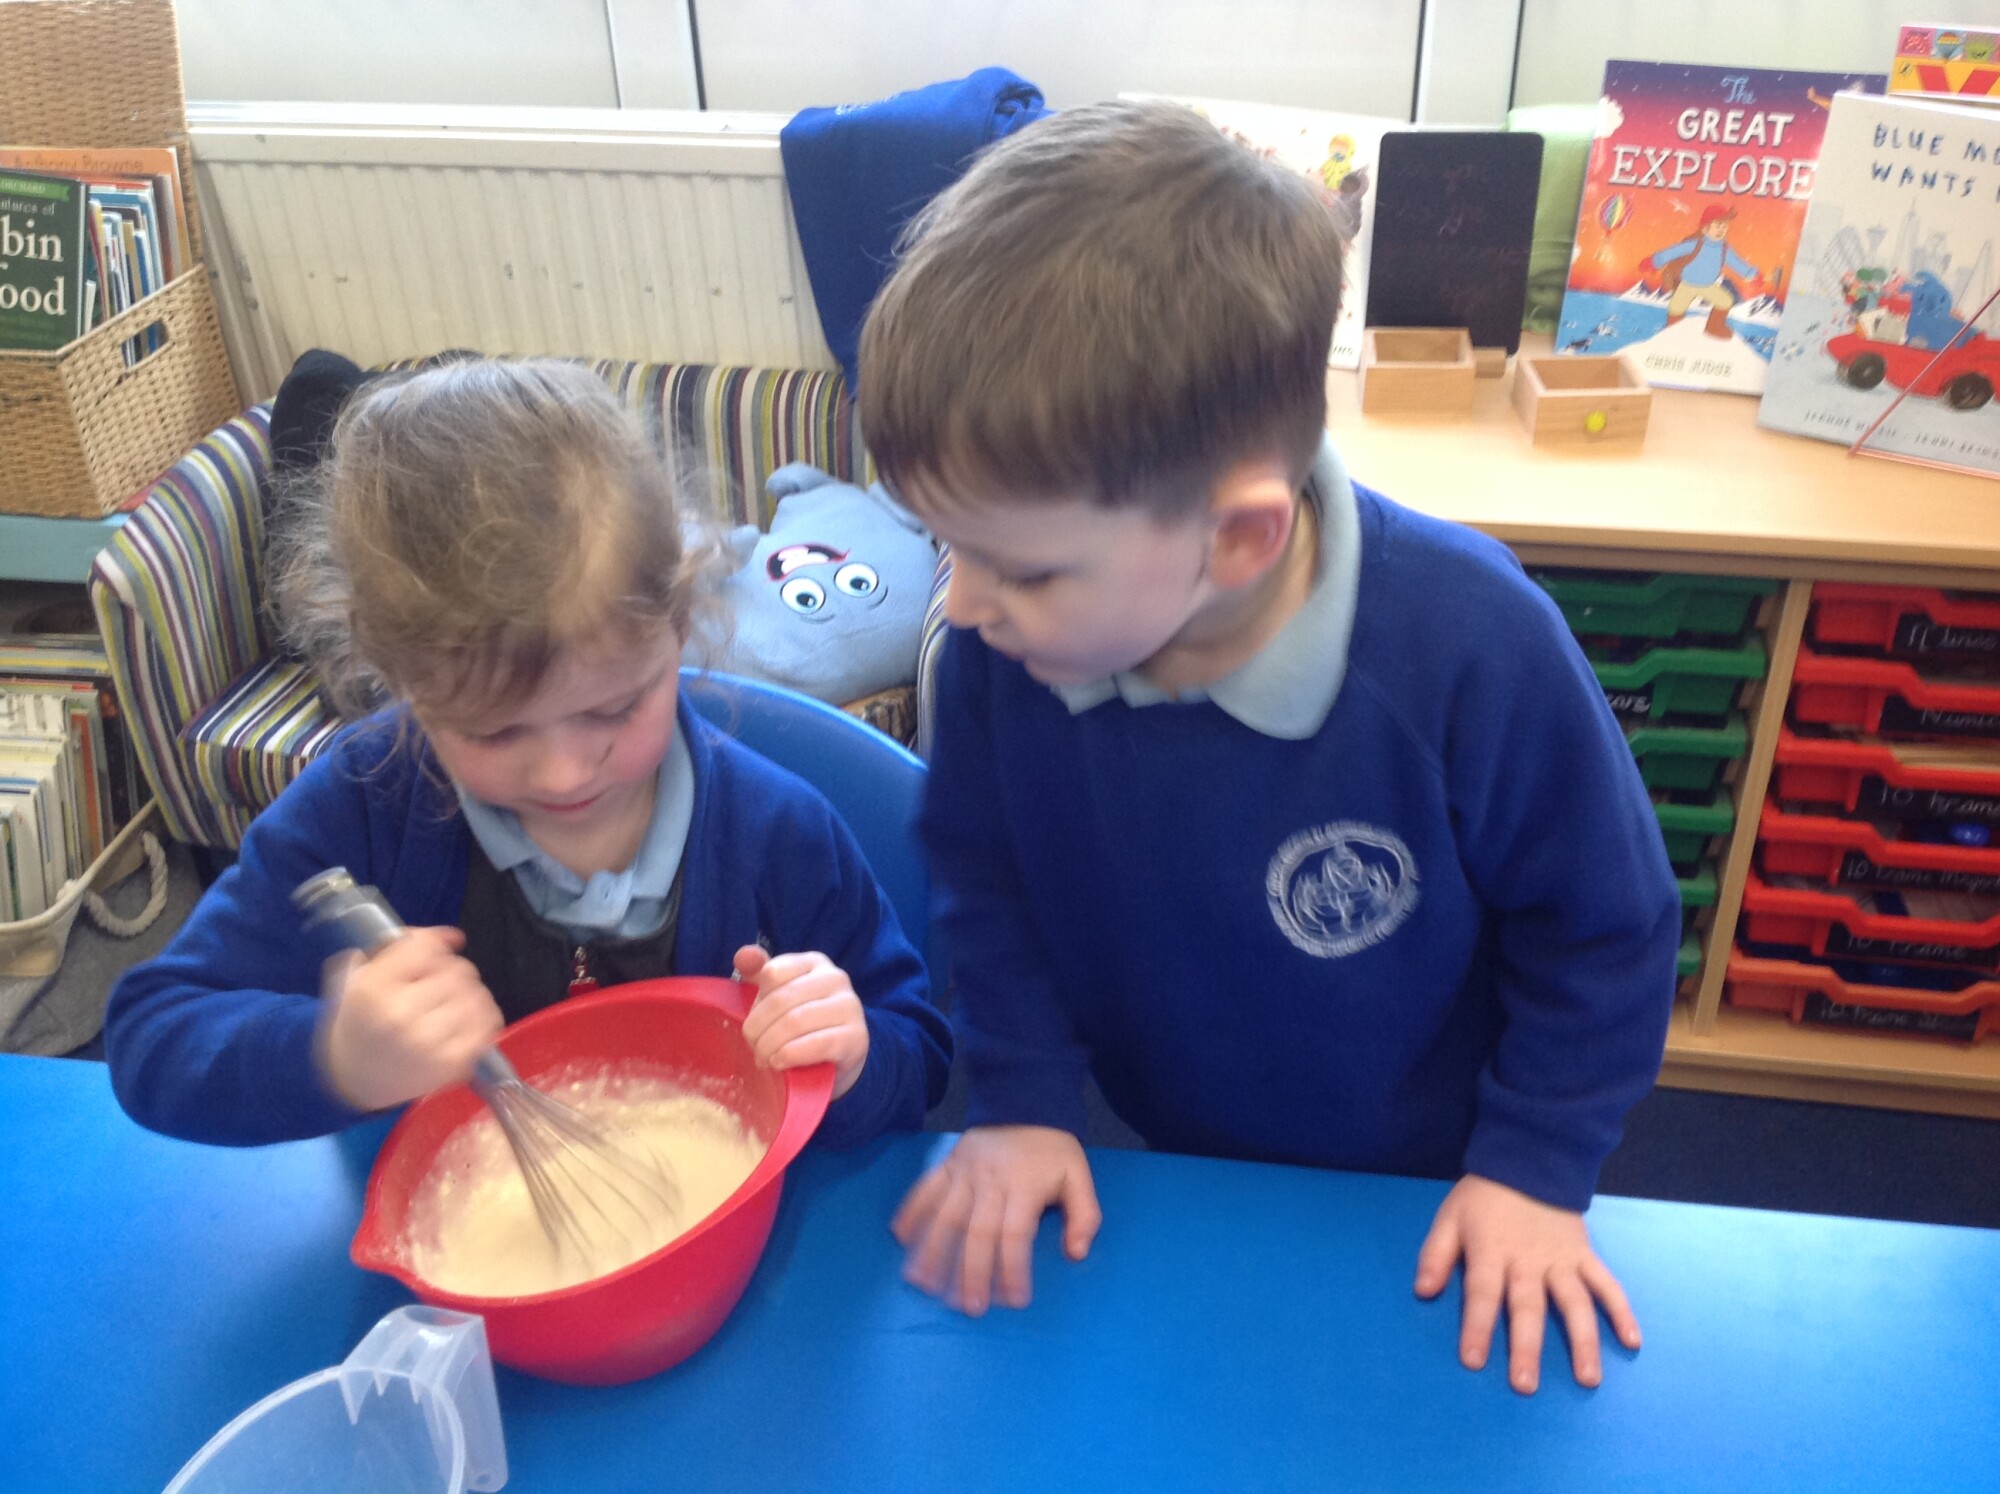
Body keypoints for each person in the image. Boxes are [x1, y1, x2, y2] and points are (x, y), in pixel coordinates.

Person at [861, 101, 1679, 1395]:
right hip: (1175, 1167)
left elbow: (1605, 927)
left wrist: (1534, 1164)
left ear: (1238, 538)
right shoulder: (1002, 657)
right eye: (945, 548)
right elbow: (985, 881)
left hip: (1432, 1177)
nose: (960, 606)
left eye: (1020, 566)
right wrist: (1021, 1096)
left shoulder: (1474, 646)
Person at [104, 358, 950, 1152]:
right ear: (401, 681)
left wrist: (853, 1058)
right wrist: (333, 1056)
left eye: (613, 709)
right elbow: (153, 1035)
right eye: (494, 731)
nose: (563, 772)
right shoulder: (363, 805)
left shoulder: (778, 832)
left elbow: (919, 1051)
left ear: (681, 626)